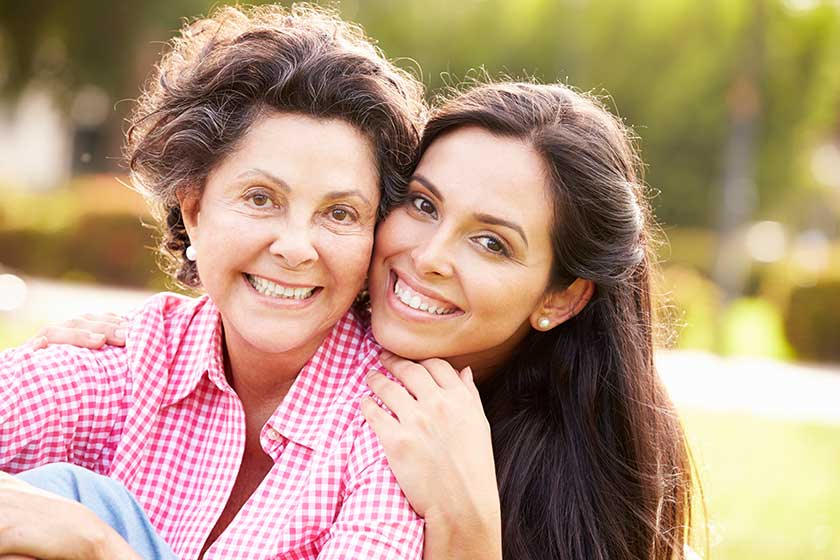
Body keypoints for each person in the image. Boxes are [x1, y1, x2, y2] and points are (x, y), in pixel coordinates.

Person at [19, 81, 698, 560]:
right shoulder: (176, 353)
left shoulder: (554, 476)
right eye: (424, 205)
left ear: (560, 297)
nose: (427, 257)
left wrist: (467, 523)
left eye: (491, 242)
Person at [0, 4, 428, 559]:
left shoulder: (391, 418)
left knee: (76, 511)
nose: (297, 248)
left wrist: (97, 547)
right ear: (195, 209)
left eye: (340, 213)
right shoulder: (135, 357)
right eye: (260, 199)